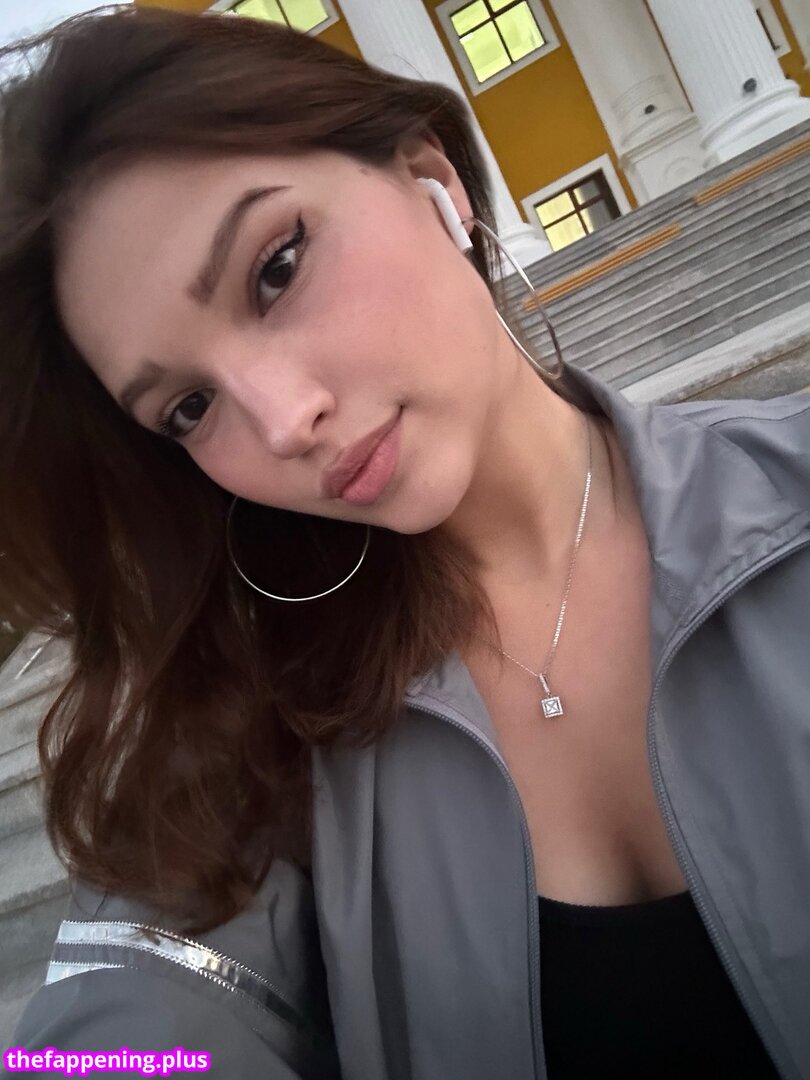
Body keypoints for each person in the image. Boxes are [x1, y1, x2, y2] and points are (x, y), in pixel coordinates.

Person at [1, 6, 809, 1079]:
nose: (283, 422)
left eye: (277, 267)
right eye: (189, 407)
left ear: (435, 181)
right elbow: (122, 1027)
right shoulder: (243, 732)